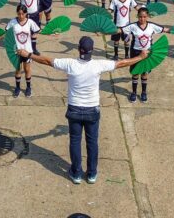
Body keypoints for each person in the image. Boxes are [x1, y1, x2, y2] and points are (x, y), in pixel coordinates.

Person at [19, 36, 147, 185]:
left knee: (75, 141)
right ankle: (92, 174)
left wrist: (28, 55)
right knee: (92, 143)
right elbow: (122, 63)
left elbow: (47, 61)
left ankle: (77, 174)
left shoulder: (70, 64)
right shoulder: (98, 65)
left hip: (74, 109)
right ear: (92, 51)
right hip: (92, 110)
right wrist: (140, 56)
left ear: (79, 49)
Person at [121, 6, 170, 102]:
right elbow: (120, 30)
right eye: (140, 17)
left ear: (147, 16)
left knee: (144, 73)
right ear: (137, 16)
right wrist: (104, 31)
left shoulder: (152, 26)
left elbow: (166, 30)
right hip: (135, 52)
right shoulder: (132, 26)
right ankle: (134, 92)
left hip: (148, 53)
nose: (142, 19)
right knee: (135, 73)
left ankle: (143, 92)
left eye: (144, 17)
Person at [6, 4, 41, 97]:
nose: (21, 16)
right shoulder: (13, 22)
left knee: (27, 69)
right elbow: (6, 33)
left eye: (22, 14)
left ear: (26, 13)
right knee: (18, 70)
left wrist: (51, 33)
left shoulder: (30, 22)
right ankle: (17, 88)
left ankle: (28, 87)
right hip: (16, 51)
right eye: (19, 14)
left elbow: (38, 31)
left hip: (27, 51)